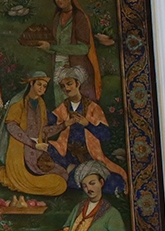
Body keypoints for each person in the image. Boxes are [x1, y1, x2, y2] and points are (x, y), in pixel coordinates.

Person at [47, 65, 127, 194]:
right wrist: (64, 124)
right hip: (67, 156)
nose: (66, 88)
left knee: (113, 179)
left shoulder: (93, 108)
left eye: (69, 84)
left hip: (89, 155)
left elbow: (106, 135)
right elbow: (50, 125)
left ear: (78, 83)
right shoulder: (62, 108)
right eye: (63, 86)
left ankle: (77, 177)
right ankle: (72, 173)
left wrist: (88, 124)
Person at [0, 71, 68, 197]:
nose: (42, 88)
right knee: (58, 185)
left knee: (63, 175)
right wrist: (33, 144)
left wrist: (64, 125)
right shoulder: (19, 103)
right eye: (39, 84)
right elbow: (11, 127)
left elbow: (43, 131)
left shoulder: (41, 104)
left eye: (44, 86)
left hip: (36, 152)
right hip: (20, 151)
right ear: (31, 83)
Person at [30, 0, 102, 103]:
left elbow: (83, 48)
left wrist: (52, 47)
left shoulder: (79, 17)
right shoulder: (57, 17)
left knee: (76, 104)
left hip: (75, 67)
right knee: (61, 105)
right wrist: (45, 47)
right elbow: (55, 45)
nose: (59, 0)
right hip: (58, 67)